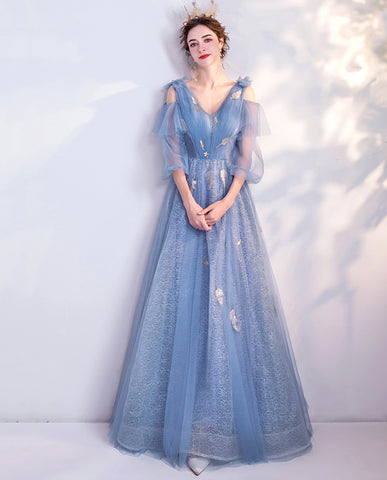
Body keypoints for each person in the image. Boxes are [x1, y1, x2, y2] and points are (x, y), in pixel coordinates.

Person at [108, 2, 313, 475]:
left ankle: (227, 429)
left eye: (207, 39)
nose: (201, 47)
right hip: (186, 208)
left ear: (222, 42)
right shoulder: (175, 93)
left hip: (230, 209)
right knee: (184, 309)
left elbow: (245, 157)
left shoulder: (244, 91)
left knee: (234, 308)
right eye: (193, 42)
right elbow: (173, 156)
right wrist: (189, 203)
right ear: (187, 50)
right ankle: (189, 431)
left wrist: (224, 202)